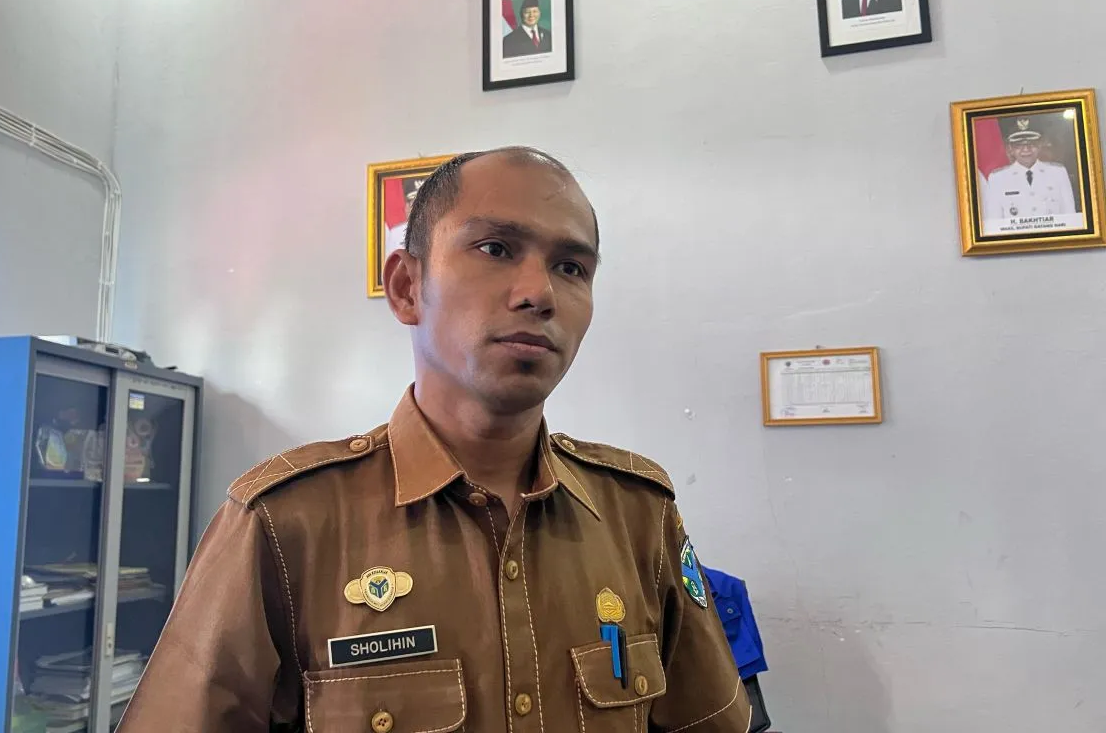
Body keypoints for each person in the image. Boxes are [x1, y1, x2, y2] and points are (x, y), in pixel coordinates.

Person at [116, 147, 752, 732]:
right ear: (406, 288)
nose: (540, 293)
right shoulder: (284, 525)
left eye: (571, 267)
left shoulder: (638, 514)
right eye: (496, 248)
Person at [983, 119, 1077, 220]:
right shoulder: (998, 179)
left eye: (1032, 144)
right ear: (1011, 148)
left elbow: (1070, 215)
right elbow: (994, 221)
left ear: (1040, 145)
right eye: (1019, 145)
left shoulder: (1058, 173)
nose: (1026, 149)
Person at [384, 176, 426, 258]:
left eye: (424, 204)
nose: (419, 210)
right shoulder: (396, 234)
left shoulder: (443, 231)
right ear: (407, 208)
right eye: (414, 204)